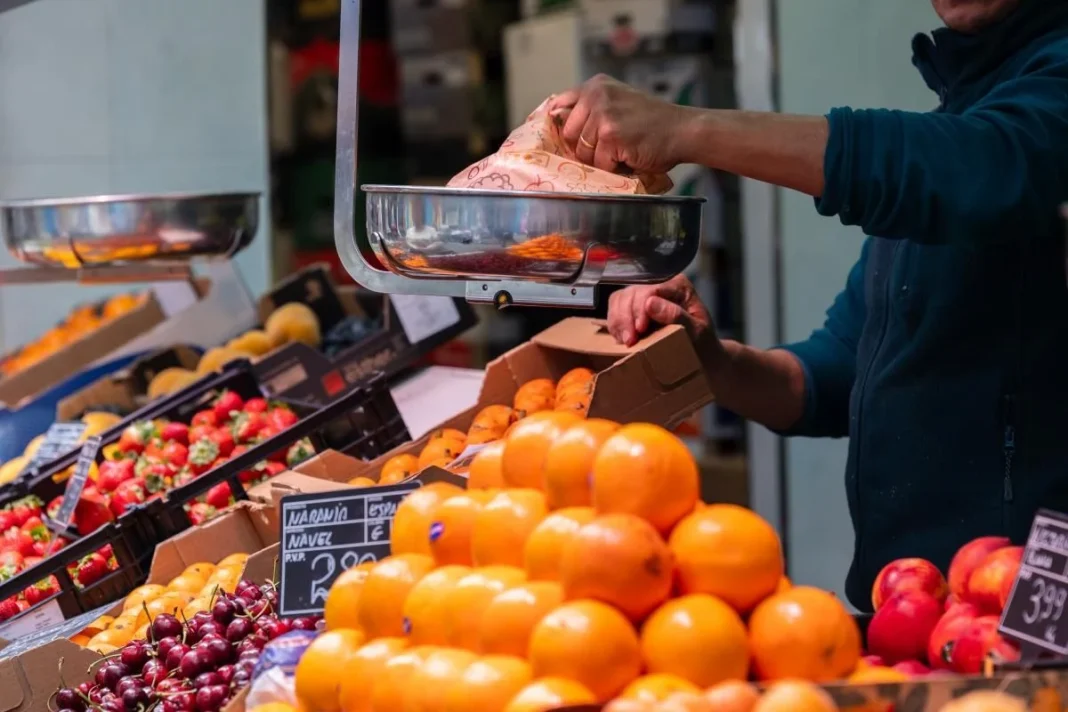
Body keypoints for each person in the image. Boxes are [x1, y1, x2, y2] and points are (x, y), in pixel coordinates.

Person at [548, 0, 1068, 611]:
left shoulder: (985, 142)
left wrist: (685, 129)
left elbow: (982, 165)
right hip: (911, 611)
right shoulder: (956, 121)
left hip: (1029, 624)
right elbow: (834, 374)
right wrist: (711, 361)